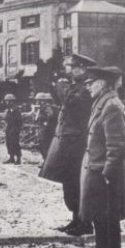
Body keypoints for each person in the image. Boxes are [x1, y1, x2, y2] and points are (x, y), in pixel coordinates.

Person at [80, 66, 125, 248]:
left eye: (90, 83)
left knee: (103, 215)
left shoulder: (110, 106)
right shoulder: (102, 103)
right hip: (99, 167)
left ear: (101, 84)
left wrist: (107, 172)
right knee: (104, 214)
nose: (88, 87)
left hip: (103, 170)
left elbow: (117, 145)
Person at [39, 53, 95, 236]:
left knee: (77, 182)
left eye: (70, 65)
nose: (67, 68)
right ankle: (75, 219)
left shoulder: (87, 87)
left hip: (77, 142)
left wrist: (61, 87)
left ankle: (84, 222)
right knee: (68, 182)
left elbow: (74, 103)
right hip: (68, 141)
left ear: (82, 68)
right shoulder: (74, 85)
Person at [34, 92, 58, 160]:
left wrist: (44, 121)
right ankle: (45, 161)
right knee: (42, 146)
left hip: (46, 131)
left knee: (45, 146)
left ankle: (46, 161)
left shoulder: (47, 107)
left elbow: (50, 116)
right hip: (42, 130)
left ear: (42, 101)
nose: (37, 102)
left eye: (38, 100)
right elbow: (36, 119)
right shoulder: (41, 108)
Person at [3, 93, 22, 165]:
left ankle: (18, 158)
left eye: (7, 101)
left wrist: (16, 129)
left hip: (14, 128)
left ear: (11, 101)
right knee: (8, 142)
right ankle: (11, 157)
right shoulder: (8, 109)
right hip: (9, 127)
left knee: (15, 143)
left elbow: (19, 120)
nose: (6, 102)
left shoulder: (16, 109)